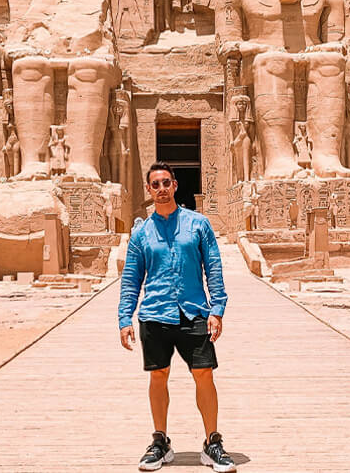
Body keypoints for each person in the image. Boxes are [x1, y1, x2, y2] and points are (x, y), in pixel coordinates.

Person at [118, 162, 235, 472]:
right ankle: (160, 441)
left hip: (193, 310)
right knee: (158, 375)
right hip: (155, 313)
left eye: (166, 182)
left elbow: (214, 268)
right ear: (149, 190)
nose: (161, 188)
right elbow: (131, 278)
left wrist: (217, 309)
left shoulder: (198, 224)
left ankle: (212, 442)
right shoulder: (141, 232)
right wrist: (124, 318)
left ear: (175, 185)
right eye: (155, 184)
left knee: (204, 373)